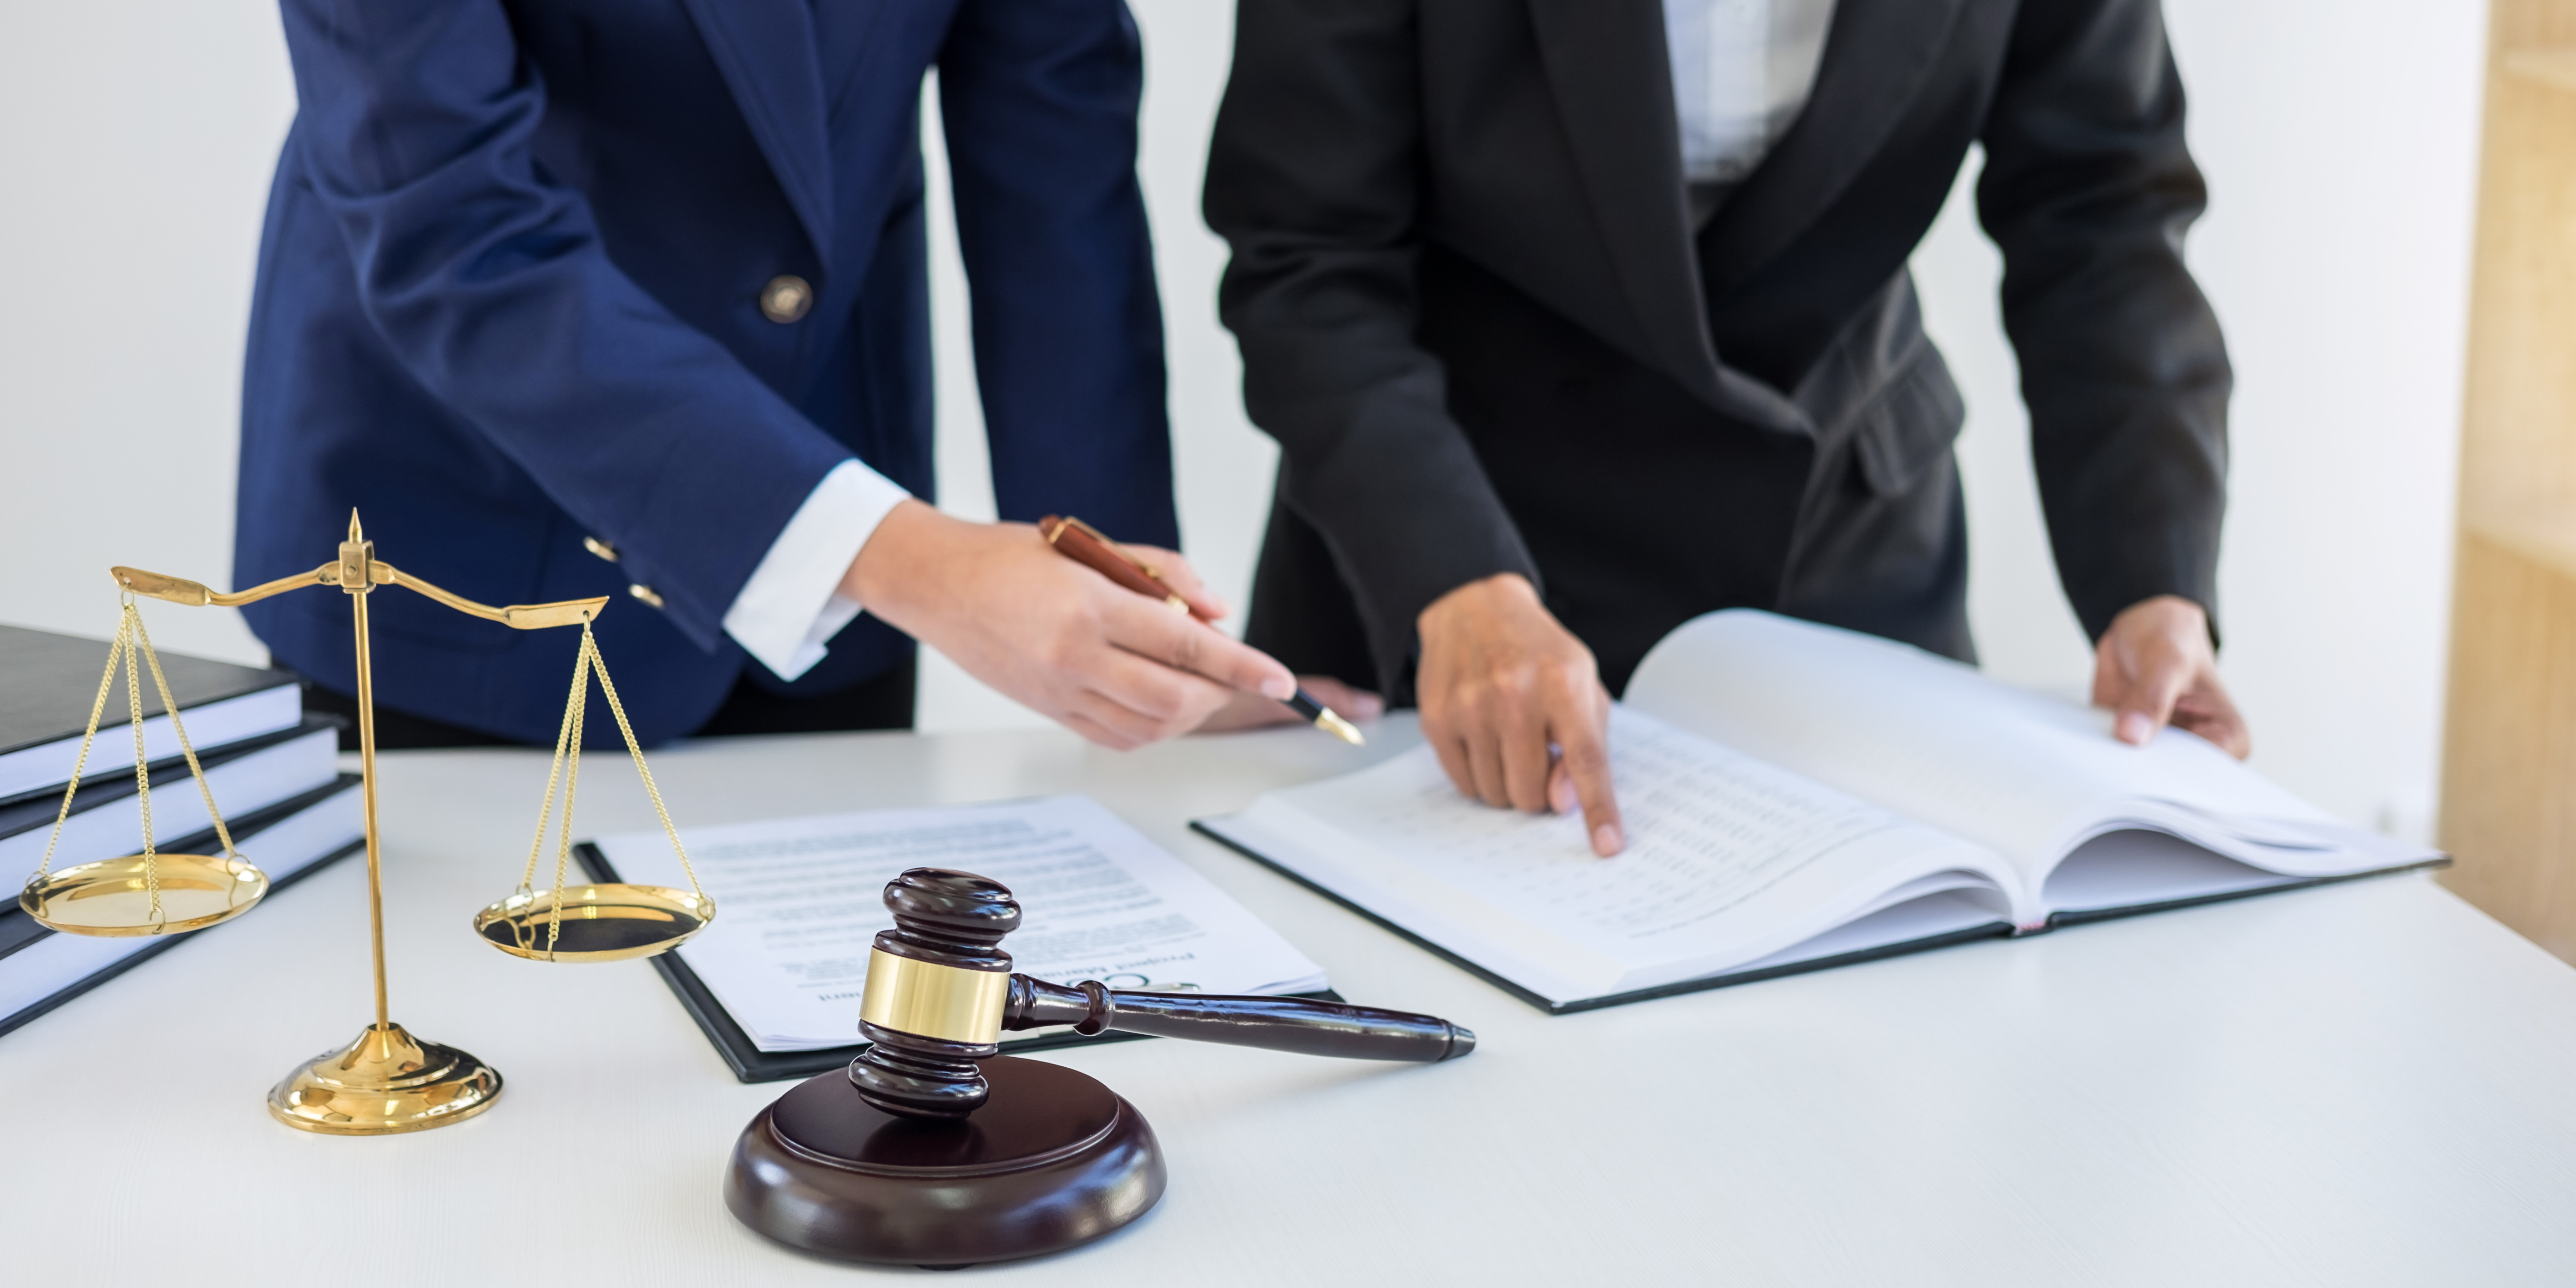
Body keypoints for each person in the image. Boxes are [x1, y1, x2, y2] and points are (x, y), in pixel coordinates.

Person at [1205, 0, 2252, 856]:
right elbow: (1308, 256)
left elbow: (2101, 216)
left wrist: (2153, 582)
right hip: (1452, 562)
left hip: (1845, 558)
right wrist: (1449, 575)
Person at [234, 0, 1300, 751]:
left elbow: (1056, 173)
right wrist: (914, 562)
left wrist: (1143, 635)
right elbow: (451, 231)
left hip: (833, 490)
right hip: (465, 537)